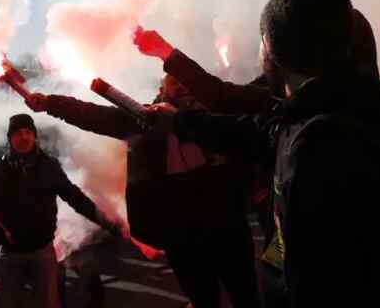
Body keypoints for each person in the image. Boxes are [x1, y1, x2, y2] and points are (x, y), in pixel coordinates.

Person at [163, 0, 380, 307]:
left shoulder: (316, 150)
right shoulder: (321, 121)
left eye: (264, 43)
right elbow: (256, 134)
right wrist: (178, 123)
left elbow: (311, 278)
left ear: (280, 54)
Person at [25, 77, 261, 308]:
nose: (181, 85)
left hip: (227, 223)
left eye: (185, 80)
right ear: (161, 89)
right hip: (181, 232)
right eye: (174, 81)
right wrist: (51, 103)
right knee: (202, 296)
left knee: (245, 294)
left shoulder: (215, 118)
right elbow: (98, 116)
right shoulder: (145, 119)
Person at [0, 113, 124, 308]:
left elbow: (76, 198)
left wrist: (108, 222)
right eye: (18, 133)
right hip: (9, 254)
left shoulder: (48, 167)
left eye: (28, 132)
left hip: (43, 251)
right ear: (10, 138)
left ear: (35, 136)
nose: (24, 137)